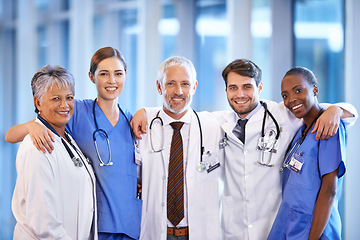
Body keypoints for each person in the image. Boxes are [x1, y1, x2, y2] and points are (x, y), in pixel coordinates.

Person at [131, 59, 357, 240]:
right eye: (233, 88)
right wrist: (146, 111)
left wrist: (336, 109)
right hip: (232, 229)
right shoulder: (216, 122)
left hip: (273, 226)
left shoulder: (283, 115)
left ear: (259, 87)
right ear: (226, 90)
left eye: (247, 87)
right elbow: (178, 112)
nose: (240, 94)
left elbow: (320, 111)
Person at [6, 47, 142, 240]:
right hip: (98, 227)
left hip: (129, 226)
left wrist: (144, 112)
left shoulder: (132, 120)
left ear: (126, 75)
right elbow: (11, 135)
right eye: (104, 73)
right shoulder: (75, 111)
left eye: (118, 73)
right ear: (91, 76)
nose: (112, 80)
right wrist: (32, 126)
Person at [135, 56, 223, 240]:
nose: (179, 91)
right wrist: (145, 111)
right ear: (159, 87)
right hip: (157, 232)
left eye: (185, 84)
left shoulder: (213, 126)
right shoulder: (142, 128)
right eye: (171, 84)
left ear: (194, 87)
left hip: (197, 232)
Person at [11, 65, 97, 239]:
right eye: (56, 98)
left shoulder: (66, 137)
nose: (64, 105)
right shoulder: (36, 147)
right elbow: (44, 221)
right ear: (38, 102)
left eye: (69, 97)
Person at [267, 67, 346, 240]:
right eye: (285, 96)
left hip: (315, 229)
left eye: (298, 90)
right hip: (291, 223)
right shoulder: (300, 131)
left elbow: (329, 190)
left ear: (315, 90)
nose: (291, 100)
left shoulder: (329, 128)